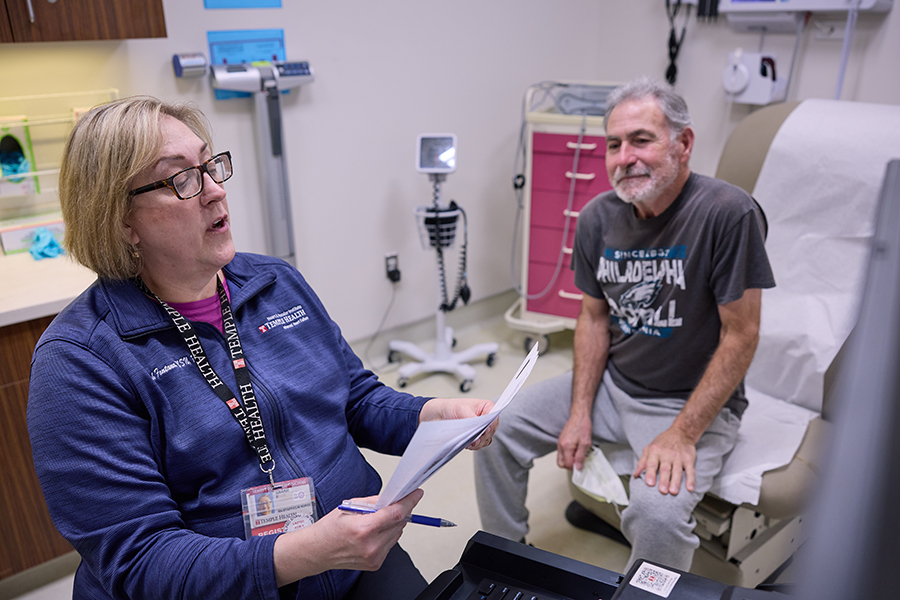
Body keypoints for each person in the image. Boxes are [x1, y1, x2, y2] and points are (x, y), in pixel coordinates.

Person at [27, 96, 498, 600]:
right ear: (121, 220)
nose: (215, 191)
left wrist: (431, 415)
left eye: (209, 166)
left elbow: (355, 399)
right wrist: (306, 553)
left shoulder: (273, 282)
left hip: (354, 564)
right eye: (180, 179)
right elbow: (142, 561)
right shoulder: (79, 362)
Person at [474, 77, 775, 571]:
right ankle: (503, 564)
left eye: (641, 139)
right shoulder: (598, 217)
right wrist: (580, 410)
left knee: (656, 515)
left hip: (687, 403)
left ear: (683, 143)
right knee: (493, 431)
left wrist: (682, 434)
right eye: (614, 144)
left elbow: (742, 333)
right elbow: (593, 318)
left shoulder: (728, 214)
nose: (624, 157)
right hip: (615, 386)